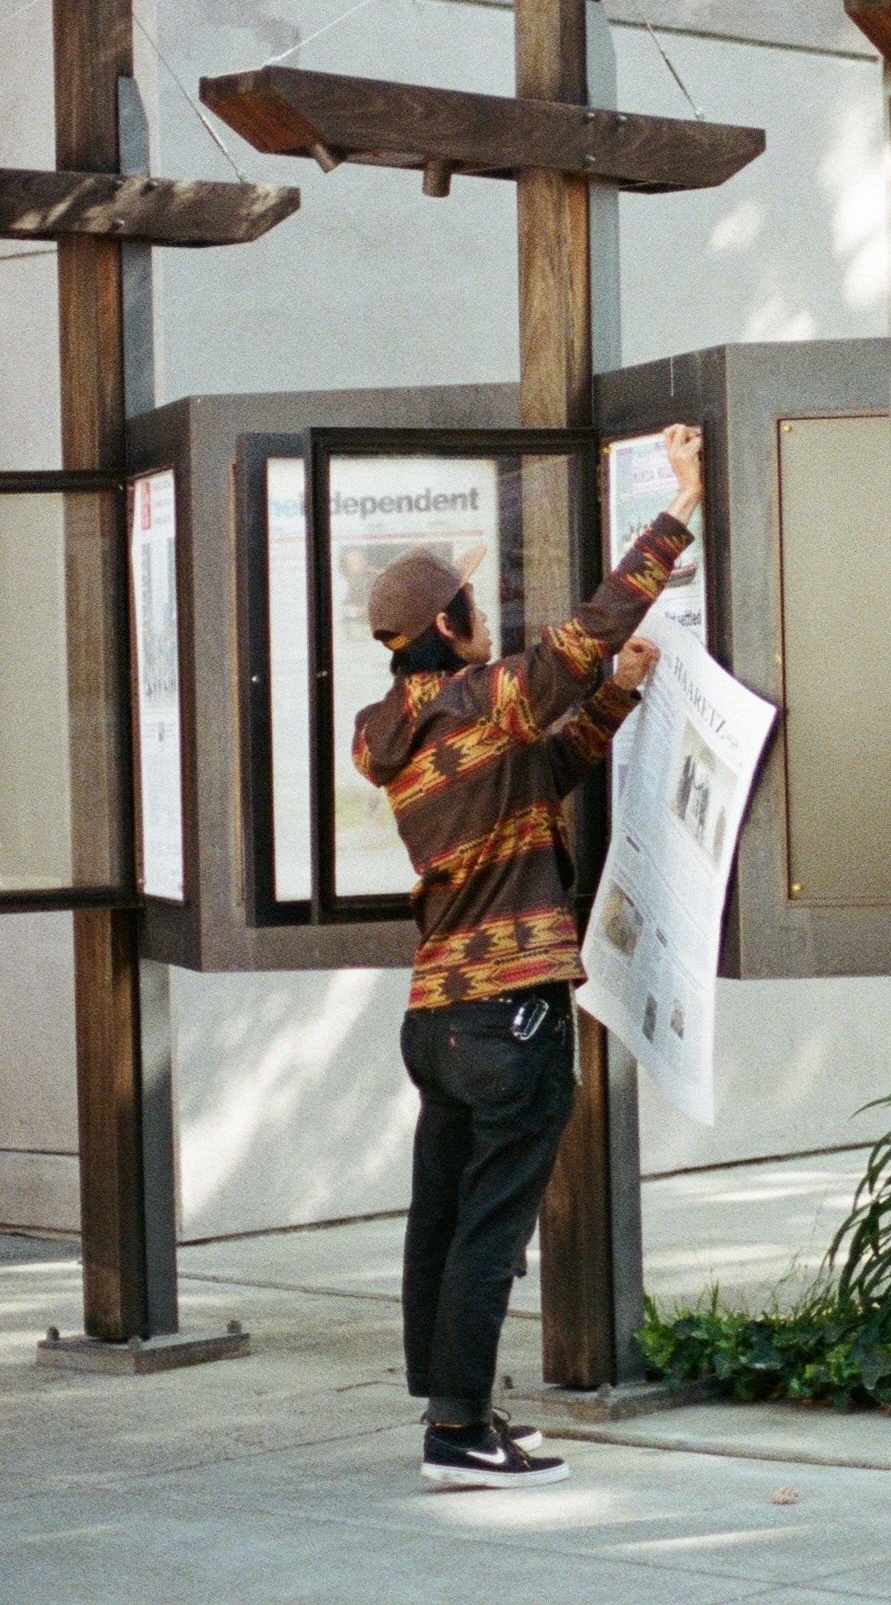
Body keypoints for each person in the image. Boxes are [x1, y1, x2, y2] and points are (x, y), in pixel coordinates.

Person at [351, 423, 706, 1489]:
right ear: (449, 625)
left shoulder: (408, 733)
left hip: (438, 1016)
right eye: (468, 607)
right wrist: (679, 506)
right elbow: (581, 634)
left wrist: (617, 692)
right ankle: (457, 1433)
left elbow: (541, 773)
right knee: (490, 1225)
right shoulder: (480, 696)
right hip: (508, 1011)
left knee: (446, 1216)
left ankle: (453, 1404)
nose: (482, 618)